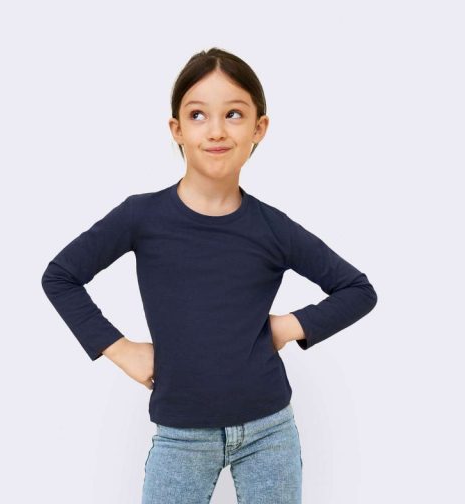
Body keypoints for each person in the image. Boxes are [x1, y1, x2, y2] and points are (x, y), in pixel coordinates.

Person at [41, 47, 378, 504]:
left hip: (269, 432)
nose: (216, 130)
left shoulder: (272, 228)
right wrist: (119, 349)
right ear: (177, 129)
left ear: (259, 127)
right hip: (180, 437)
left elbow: (358, 290)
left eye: (234, 114)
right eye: (198, 115)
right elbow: (61, 276)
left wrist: (287, 326)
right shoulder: (141, 217)